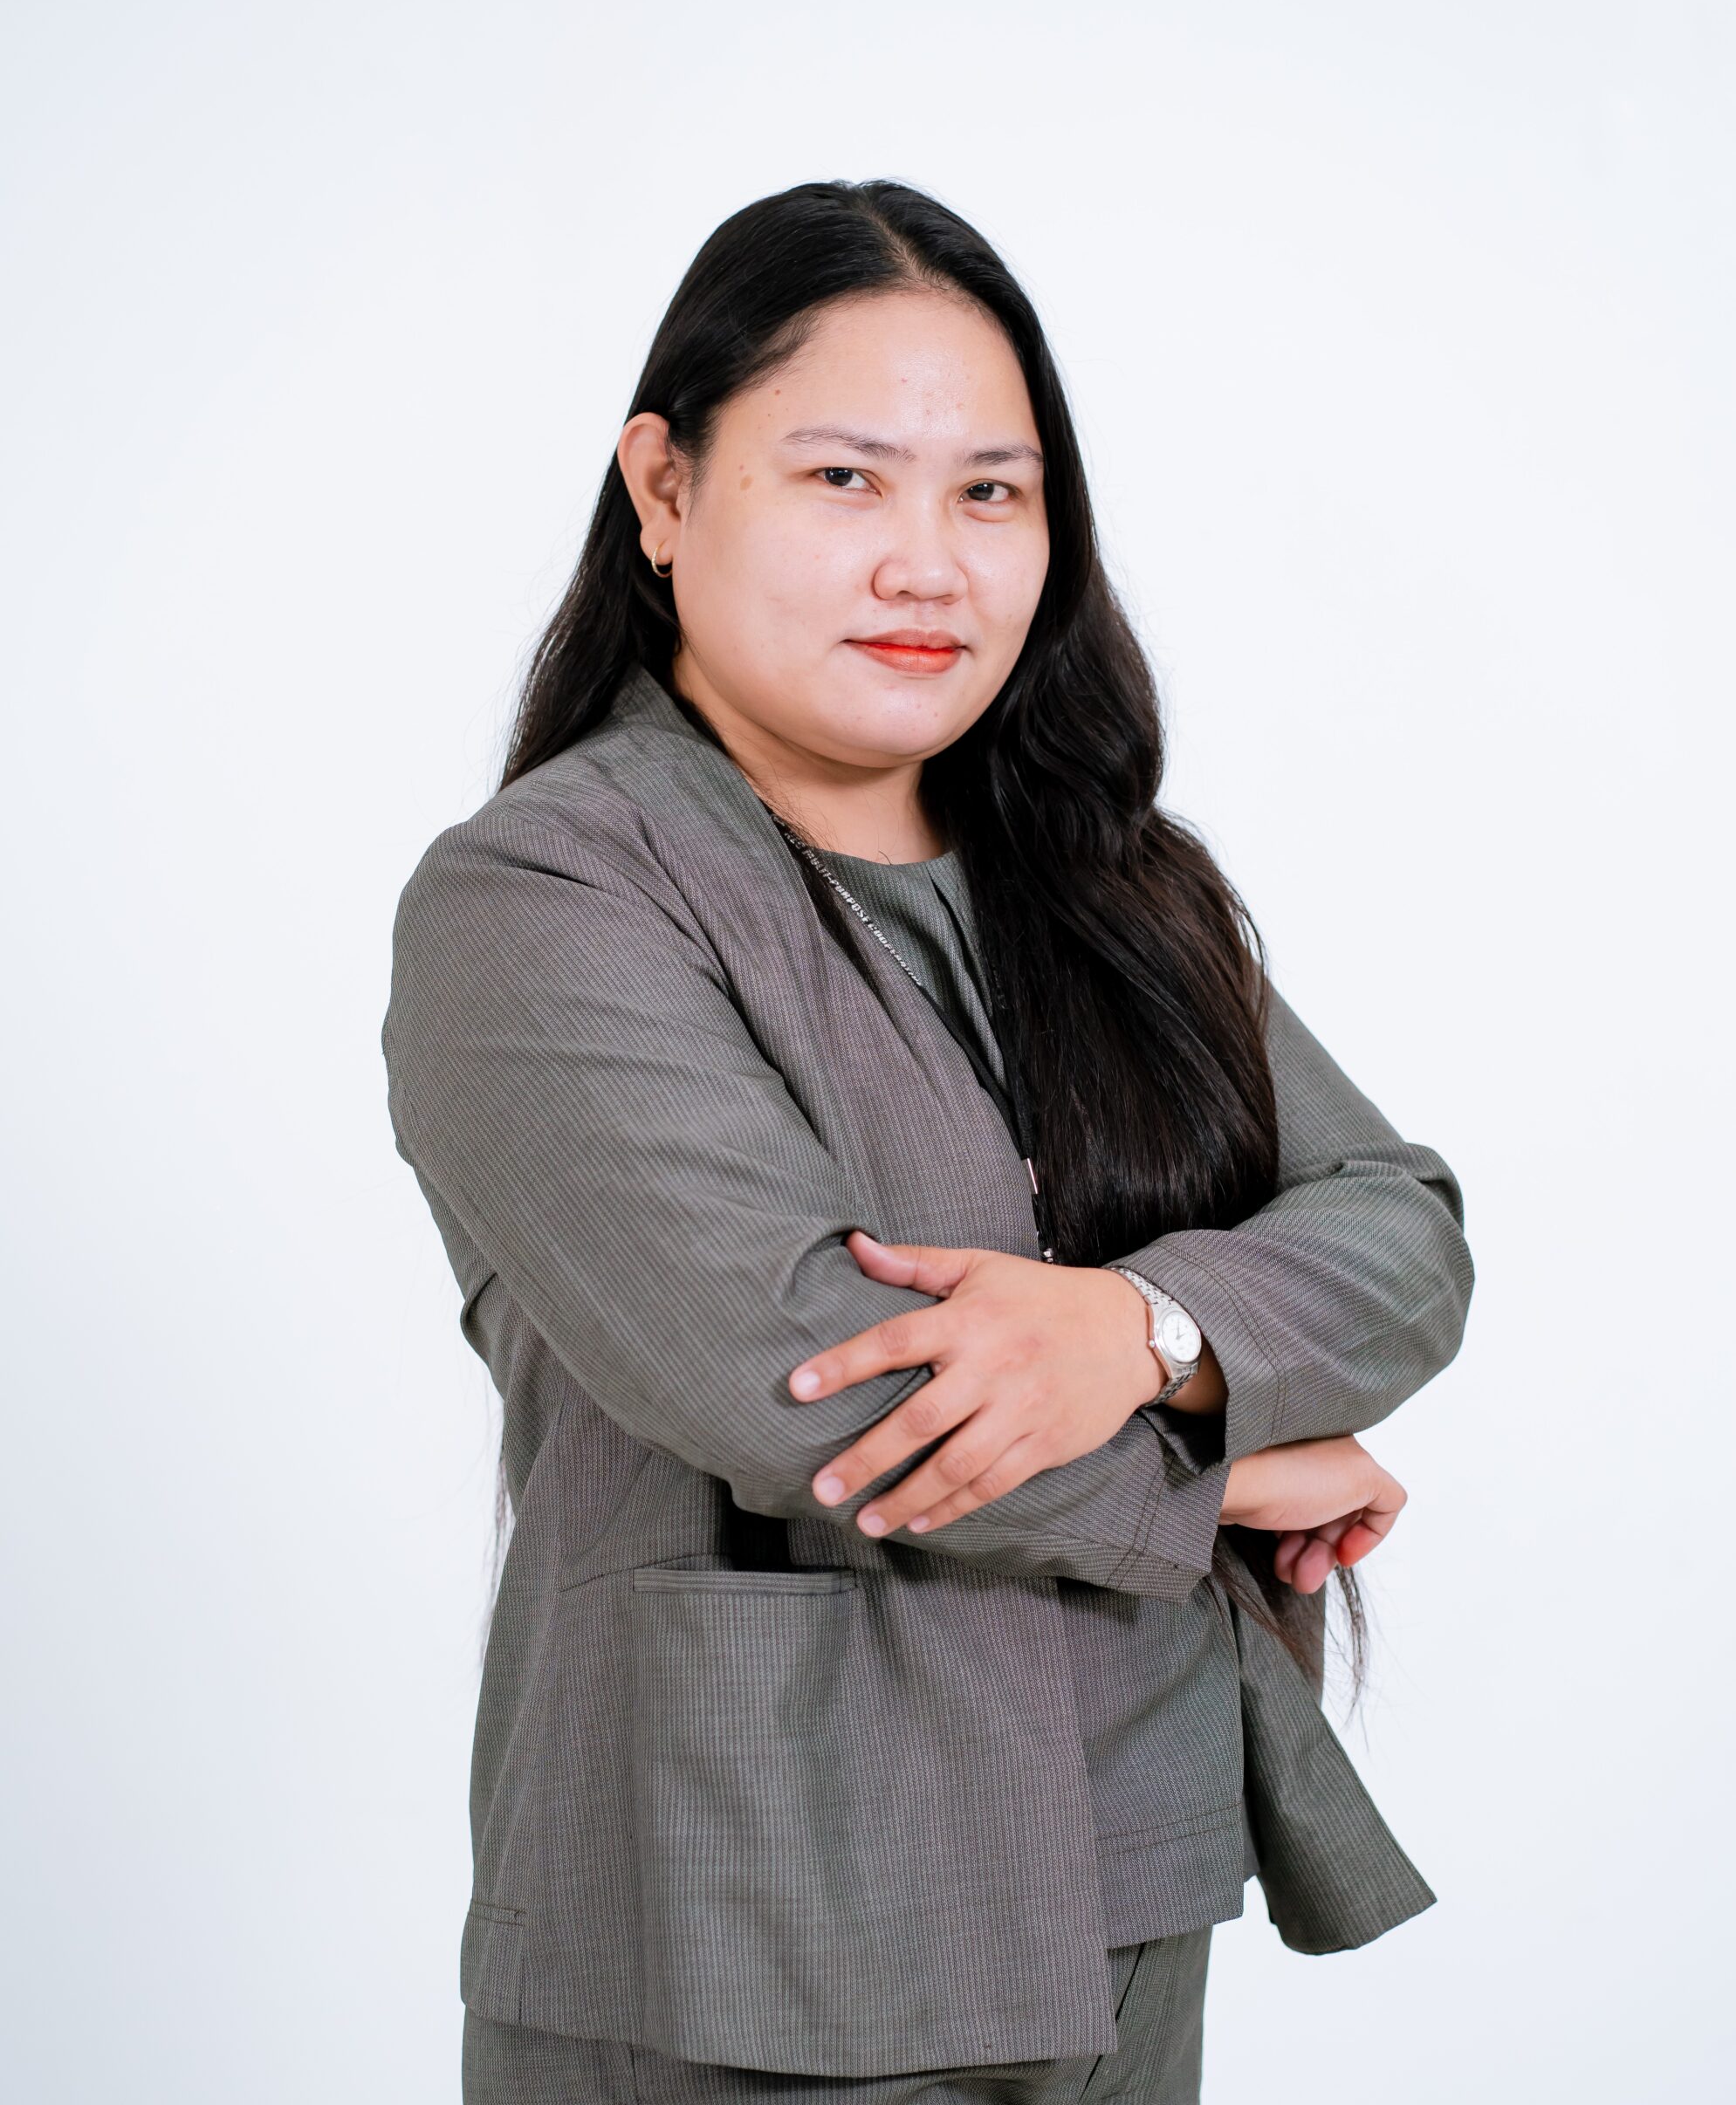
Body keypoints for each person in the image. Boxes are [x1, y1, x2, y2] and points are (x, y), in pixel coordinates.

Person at [382, 179, 1475, 2105]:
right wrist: (1227, 1467)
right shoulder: (542, 896)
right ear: (661, 488)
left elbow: (1394, 1222)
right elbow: (804, 1375)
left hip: (1128, 1856)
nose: (926, 563)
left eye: (991, 493)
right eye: (842, 480)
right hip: (745, 1905)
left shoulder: (1110, 886)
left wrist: (1138, 1329)